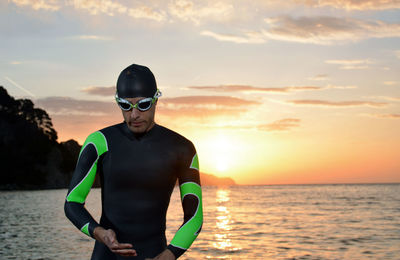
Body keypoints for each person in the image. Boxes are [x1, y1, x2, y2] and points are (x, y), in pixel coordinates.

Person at [64, 64, 203, 260]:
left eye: (143, 104)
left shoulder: (182, 148)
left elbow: (194, 216)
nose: (134, 114)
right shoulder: (99, 142)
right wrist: (100, 233)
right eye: (126, 106)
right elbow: (72, 203)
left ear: (156, 100)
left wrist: (169, 255)